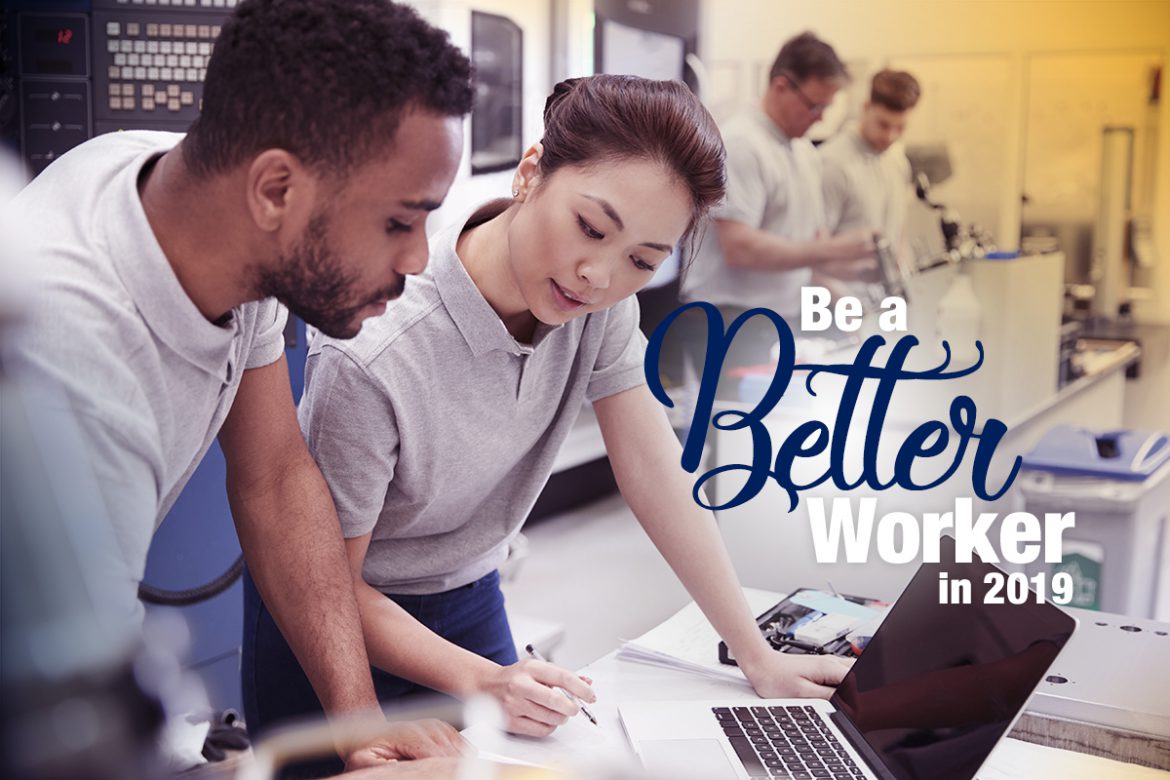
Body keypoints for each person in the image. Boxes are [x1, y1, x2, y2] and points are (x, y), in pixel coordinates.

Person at [243, 74, 853, 742]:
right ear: (531, 172)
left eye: (642, 261)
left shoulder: (600, 308)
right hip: (336, 621)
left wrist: (756, 655)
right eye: (590, 228)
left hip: (469, 595)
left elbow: (655, 474)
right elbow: (324, 580)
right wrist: (484, 680)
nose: (600, 276)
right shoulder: (379, 349)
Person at [0, 0, 473, 772]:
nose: (419, 260)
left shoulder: (202, 207)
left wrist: (360, 727)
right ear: (277, 191)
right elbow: (85, 753)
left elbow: (276, 476)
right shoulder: (77, 373)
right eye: (398, 222)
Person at [679, 32, 877, 381]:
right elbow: (740, 248)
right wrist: (830, 250)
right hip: (729, 323)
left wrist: (847, 291)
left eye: (827, 108)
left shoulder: (802, 152)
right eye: (815, 105)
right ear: (782, 86)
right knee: (733, 430)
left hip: (779, 320)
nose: (820, 118)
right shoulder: (742, 144)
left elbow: (799, 249)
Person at [820, 69, 921, 270]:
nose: (891, 136)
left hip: (885, 296)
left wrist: (903, 271)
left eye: (900, 127)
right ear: (866, 108)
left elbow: (898, 230)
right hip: (840, 295)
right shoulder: (831, 163)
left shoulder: (898, 162)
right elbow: (816, 249)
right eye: (883, 125)